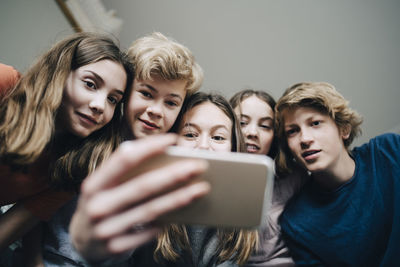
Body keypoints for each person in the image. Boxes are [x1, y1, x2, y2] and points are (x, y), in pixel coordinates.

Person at [42, 32, 206, 265]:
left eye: (171, 102)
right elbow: (33, 209)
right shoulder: (87, 135)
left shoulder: (166, 172)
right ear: (126, 91)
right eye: (146, 94)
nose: (156, 110)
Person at [0, 32, 134, 264]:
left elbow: (6, 232)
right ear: (60, 74)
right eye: (90, 84)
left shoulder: (71, 167)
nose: (99, 106)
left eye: (113, 99)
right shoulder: (5, 83)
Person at [275, 82, 400, 266]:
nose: (305, 139)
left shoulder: (389, 151)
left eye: (315, 123)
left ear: (344, 129)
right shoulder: (296, 222)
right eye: (293, 131)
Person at [128, 92, 258, 267]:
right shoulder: (146, 205)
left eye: (218, 137)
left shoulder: (242, 214)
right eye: (190, 134)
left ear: (233, 148)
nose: (203, 146)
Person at [230, 89, 298, 266]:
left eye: (265, 126)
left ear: (275, 136)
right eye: (242, 123)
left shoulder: (295, 179)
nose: (252, 133)